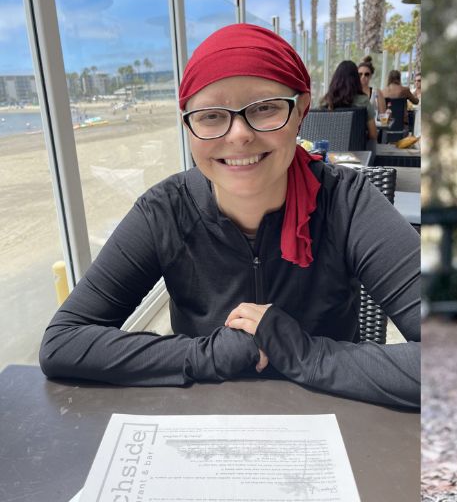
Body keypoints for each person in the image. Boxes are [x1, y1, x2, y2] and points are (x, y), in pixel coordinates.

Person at [39, 24, 420, 409]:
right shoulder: (165, 211)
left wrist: (306, 355)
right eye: (210, 116)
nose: (238, 135)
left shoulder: (347, 203)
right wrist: (209, 354)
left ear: (301, 110)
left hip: (336, 426)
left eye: (265, 108)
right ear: (188, 125)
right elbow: (63, 341)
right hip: (206, 430)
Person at [320, 60, 378, 142]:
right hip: (356, 152)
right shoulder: (363, 101)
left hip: (331, 151)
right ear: (356, 79)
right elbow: (373, 134)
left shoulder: (327, 101)